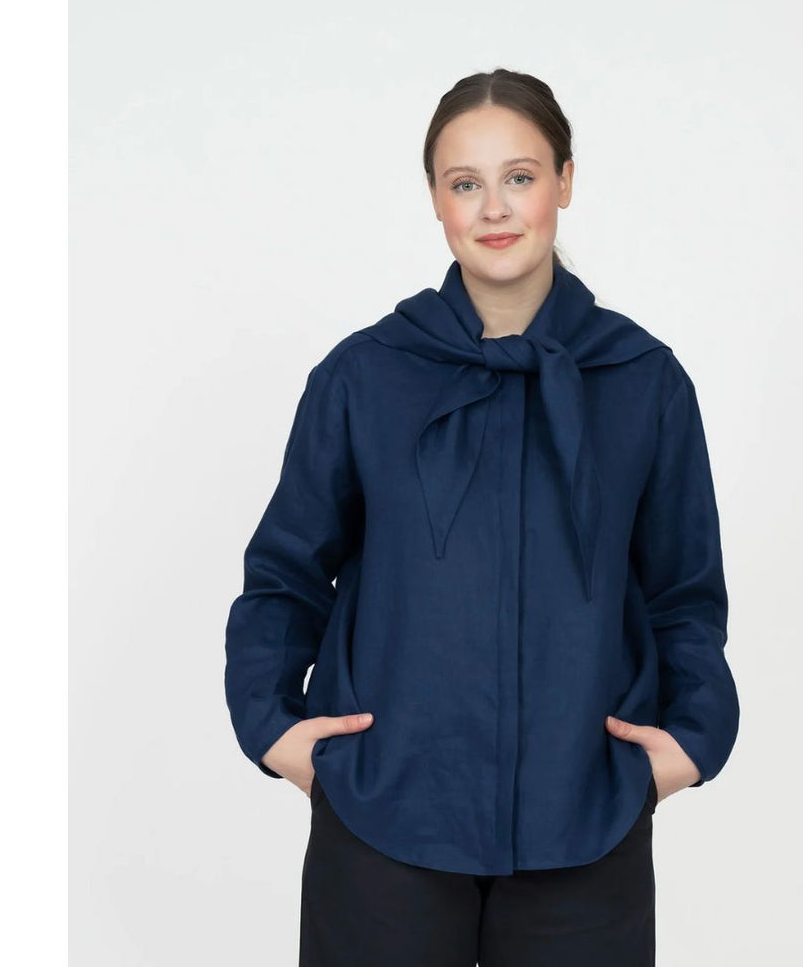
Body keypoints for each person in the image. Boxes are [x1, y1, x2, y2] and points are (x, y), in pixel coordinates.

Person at [224, 67, 740, 966]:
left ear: (564, 182)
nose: (494, 208)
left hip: (585, 821)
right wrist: (276, 731)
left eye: (520, 177)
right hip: (384, 818)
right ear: (435, 198)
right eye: (465, 183)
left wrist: (687, 745)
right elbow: (285, 573)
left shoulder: (643, 381)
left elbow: (683, 592)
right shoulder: (364, 376)